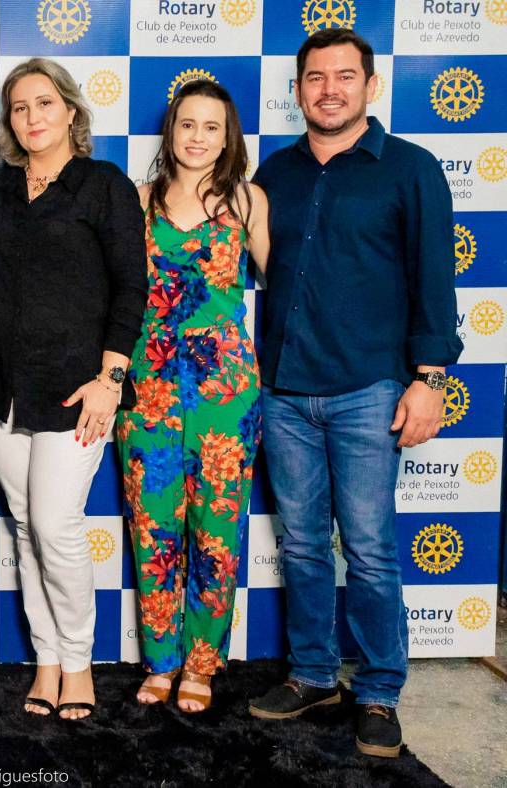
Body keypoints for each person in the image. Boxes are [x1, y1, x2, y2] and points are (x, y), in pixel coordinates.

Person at [247, 28, 462, 758]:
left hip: (369, 388)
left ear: (371, 86)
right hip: (283, 390)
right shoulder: (275, 173)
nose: (329, 89)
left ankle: (377, 691)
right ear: (298, 90)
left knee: (368, 548)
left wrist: (429, 380)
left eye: (344, 76)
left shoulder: (410, 168)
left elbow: (435, 281)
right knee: (303, 545)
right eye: (316, 77)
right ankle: (313, 675)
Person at [0, 58, 146, 720]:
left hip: (77, 391)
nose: (32, 117)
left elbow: (132, 288)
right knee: (25, 527)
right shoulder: (0, 187)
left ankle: (78, 662)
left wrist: (111, 379)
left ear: (71, 111)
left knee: (55, 524)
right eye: (19, 107)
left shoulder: (104, 186)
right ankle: (46, 660)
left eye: (44, 103)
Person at [116, 79, 268, 714]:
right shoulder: (138, 199)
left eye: (212, 126)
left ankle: (201, 666)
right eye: (187, 124)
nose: (198, 137)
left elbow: (287, 283)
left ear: (227, 136)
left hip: (224, 394)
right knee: (152, 528)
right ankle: (161, 662)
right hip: (147, 388)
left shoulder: (248, 199)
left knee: (215, 531)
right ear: (170, 131)